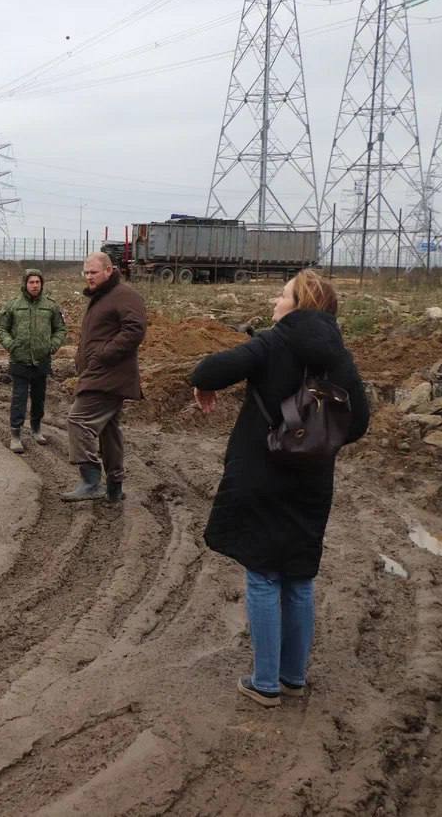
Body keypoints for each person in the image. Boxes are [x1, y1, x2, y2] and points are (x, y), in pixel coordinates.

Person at [190, 269, 369, 708]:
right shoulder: (339, 356)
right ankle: (292, 677)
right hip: (312, 481)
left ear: (299, 303)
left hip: (262, 475)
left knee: (264, 575)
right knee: (299, 579)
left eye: (283, 294)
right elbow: (359, 422)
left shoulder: (274, 341)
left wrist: (203, 386)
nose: (276, 299)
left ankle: (265, 682)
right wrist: (313, 441)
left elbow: (209, 369)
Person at [61, 252, 147, 503]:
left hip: (109, 375)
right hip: (99, 373)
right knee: (109, 431)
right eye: (86, 272)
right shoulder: (103, 297)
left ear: (109, 270)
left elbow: (135, 330)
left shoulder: (125, 295)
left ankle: (91, 481)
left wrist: (104, 355)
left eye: (93, 272)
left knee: (78, 420)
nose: (88, 277)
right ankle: (114, 487)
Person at [0, 269, 67, 453]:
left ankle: (36, 429)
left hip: (41, 360)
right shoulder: (13, 305)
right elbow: (1, 328)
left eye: (37, 282)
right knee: (19, 399)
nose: (35, 285)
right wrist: (11, 345)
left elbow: (60, 329)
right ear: (25, 284)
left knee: (39, 398)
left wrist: (52, 346)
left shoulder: (50, 306)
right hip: (20, 360)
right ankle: (15, 435)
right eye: (31, 282)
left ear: (42, 284)